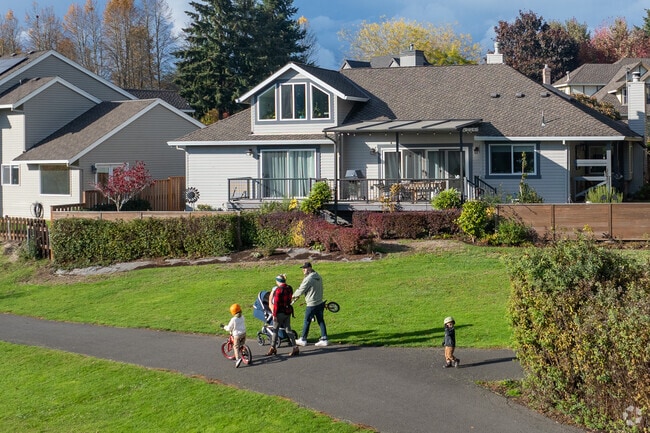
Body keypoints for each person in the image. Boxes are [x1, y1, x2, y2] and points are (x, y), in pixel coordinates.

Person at [293, 262, 328, 347]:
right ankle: (324, 339)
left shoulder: (309, 279)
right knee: (320, 320)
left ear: (309, 268)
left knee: (307, 321)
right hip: (319, 302)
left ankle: (303, 339)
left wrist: (292, 296)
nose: (303, 270)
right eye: (303, 268)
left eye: (305, 268)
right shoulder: (318, 276)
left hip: (312, 304)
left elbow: (301, 289)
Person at [266, 274, 299, 357]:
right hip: (287, 312)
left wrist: (274, 315)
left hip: (279, 313)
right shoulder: (289, 288)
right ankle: (295, 347)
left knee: (275, 330)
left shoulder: (278, 290)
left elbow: (276, 304)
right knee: (288, 330)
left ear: (278, 281)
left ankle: (273, 348)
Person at [223, 303, 246, 368]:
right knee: (242, 343)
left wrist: (224, 327)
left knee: (235, 347)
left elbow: (229, 328)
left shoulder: (233, 319)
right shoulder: (242, 316)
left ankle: (237, 359)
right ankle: (244, 351)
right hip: (244, 333)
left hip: (237, 335)